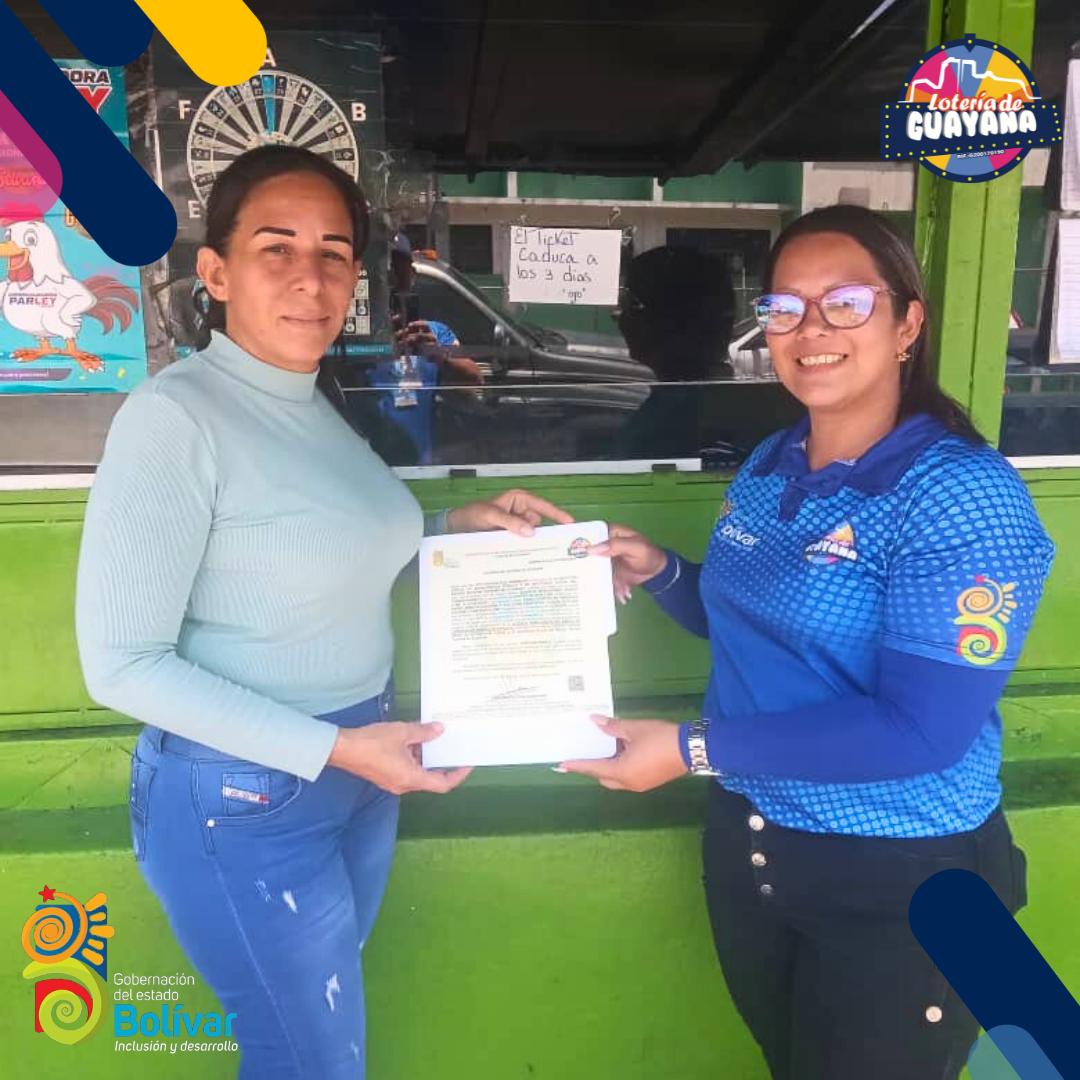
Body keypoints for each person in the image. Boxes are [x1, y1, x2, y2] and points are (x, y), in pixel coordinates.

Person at [74, 145, 570, 1080]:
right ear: (215, 272)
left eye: (335, 253)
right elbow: (122, 665)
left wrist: (452, 530)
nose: (312, 278)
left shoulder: (312, 402)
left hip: (359, 766)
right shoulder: (175, 418)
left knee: (318, 1051)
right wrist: (338, 750)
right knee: (312, 1062)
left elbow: (309, 554)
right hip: (247, 797)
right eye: (277, 248)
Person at [561, 205, 1054, 1079]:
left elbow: (922, 731)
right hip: (754, 851)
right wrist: (663, 571)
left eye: (846, 303)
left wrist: (690, 749)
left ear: (907, 325)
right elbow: (753, 627)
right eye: (785, 307)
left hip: (906, 880)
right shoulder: (770, 462)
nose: (811, 329)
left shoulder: (961, 496)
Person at [613, 244, 802, 461]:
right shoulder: (699, 406)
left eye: (631, 305)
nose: (619, 318)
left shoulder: (686, 424)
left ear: (673, 319)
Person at [361, 233, 483, 464]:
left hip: (421, 467)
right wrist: (378, 351)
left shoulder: (432, 332)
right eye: (385, 273)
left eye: (400, 271)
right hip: (367, 462)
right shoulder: (356, 336)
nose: (393, 280)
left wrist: (440, 356)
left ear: (412, 276)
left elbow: (475, 378)